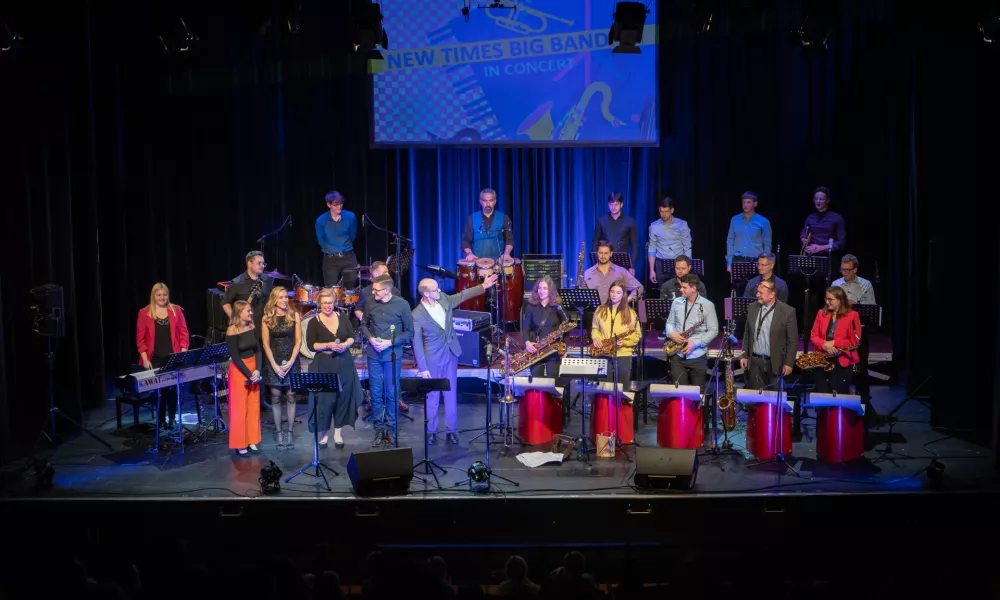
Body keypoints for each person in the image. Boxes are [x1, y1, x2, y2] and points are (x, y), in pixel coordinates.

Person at [412, 273, 498, 445]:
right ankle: (431, 431)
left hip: (451, 354)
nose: (440, 291)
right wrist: (423, 368)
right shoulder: (416, 315)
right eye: (436, 290)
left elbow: (462, 296)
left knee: (451, 395)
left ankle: (451, 430)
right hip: (432, 360)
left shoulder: (443, 299)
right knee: (433, 397)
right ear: (426, 294)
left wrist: (483, 286)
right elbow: (417, 343)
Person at [361, 274, 414, 447]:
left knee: (392, 393)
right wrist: (370, 339)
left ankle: (391, 431)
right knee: (375, 394)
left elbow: (409, 332)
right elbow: (363, 325)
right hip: (374, 355)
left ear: (387, 290)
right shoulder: (370, 303)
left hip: (392, 355)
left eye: (376, 290)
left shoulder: (402, 305)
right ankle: (378, 430)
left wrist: (390, 342)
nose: (373, 292)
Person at [306, 288, 363, 449]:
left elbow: (351, 336)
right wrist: (327, 345)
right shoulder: (313, 322)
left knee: (342, 398)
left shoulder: (343, 317)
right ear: (319, 304)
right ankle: (324, 433)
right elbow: (311, 345)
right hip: (324, 364)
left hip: (344, 362)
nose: (327, 306)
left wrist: (345, 344)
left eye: (330, 303)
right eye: (324, 303)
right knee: (325, 400)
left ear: (335, 303)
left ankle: (338, 432)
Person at [135, 283, 190, 430]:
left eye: (165, 294)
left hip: (173, 357)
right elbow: (140, 340)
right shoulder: (144, 313)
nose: (162, 298)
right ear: (153, 296)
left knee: (172, 390)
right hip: (155, 358)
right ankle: (160, 419)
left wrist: (183, 350)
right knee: (160, 391)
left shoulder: (176, 310)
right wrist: (145, 359)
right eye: (159, 295)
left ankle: (171, 418)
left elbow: (184, 333)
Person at [832, 253, 876, 406]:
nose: (844, 273)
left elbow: (870, 310)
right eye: (842, 270)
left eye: (848, 270)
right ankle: (839, 403)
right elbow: (830, 307)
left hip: (858, 333)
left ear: (855, 270)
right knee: (839, 368)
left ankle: (865, 406)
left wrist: (852, 305)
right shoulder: (836, 283)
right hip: (840, 333)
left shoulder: (865, 285)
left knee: (861, 369)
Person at [261, 286, 301, 450]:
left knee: (291, 395)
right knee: (276, 396)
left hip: (291, 359)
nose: (285, 300)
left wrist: (291, 361)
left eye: (286, 297)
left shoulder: (294, 315)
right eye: (281, 297)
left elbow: (298, 341)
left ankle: (290, 432)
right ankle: (279, 432)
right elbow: (266, 344)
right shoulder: (266, 318)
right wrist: (275, 366)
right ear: (274, 300)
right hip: (273, 361)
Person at [740, 280, 798, 390]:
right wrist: (744, 355)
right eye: (757, 292)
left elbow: (792, 340)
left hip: (775, 362)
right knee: (757, 401)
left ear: (772, 294)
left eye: (761, 293)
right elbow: (747, 333)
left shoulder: (788, 311)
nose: (757, 295)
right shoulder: (752, 307)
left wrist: (789, 363)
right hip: (755, 362)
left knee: (774, 400)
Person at [664, 274, 719, 389]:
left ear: (693, 288)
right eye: (681, 286)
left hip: (697, 356)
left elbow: (713, 330)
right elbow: (669, 323)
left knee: (698, 394)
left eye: (684, 287)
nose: (681, 289)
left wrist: (695, 343)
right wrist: (672, 334)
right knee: (679, 392)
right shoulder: (676, 302)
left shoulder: (708, 305)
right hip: (677, 355)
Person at [809, 286, 862, 396]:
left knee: (839, 395)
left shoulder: (852, 315)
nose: (827, 302)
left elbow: (855, 341)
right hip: (822, 360)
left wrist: (834, 343)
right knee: (822, 395)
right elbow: (813, 336)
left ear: (839, 300)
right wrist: (824, 345)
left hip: (842, 362)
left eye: (830, 299)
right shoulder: (821, 313)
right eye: (826, 299)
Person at [225, 300, 262, 456]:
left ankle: (252, 440)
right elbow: (235, 357)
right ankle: (240, 443)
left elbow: (258, 350)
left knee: (253, 407)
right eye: (248, 311)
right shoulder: (232, 331)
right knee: (240, 409)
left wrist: (258, 370)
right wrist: (249, 374)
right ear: (239, 312)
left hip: (254, 368)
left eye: (251, 310)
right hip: (240, 371)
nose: (251, 313)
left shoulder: (252, 327)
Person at [591, 280, 642, 388]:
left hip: (623, 355)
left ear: (623, 295)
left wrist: (624, 342)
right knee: (603, 388)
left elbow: (637, 334)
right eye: (612, 291)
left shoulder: (631, 313)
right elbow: (595, 328)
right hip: (603, 353)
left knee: (622, 388)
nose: (614, 295)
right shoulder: (600, 310)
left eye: (618, 292)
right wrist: (596, 338)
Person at [521, 276, 570, 378]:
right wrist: (527, 343)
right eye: (539, 288)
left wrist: (565, 348)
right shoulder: (531, 307)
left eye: (545, 288)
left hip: (553, 350)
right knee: (537, 381)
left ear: (551, 290)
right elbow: (526, 328)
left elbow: (566, 329)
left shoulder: (558, 307)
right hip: (536, 350)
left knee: (553, 379)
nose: (541, 291)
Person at [316, 191, 360, 289]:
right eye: (335, 205)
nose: (339, 207)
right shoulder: (321, 220)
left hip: (348, 257)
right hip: (330, 259)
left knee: (350, 287)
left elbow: (353, 234)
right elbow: (321, 240)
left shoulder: (350, 217)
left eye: (340, 204)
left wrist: (345, 247)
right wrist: (331, 249)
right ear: (328, 204)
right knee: (330, 288)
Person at [222, 250, 274, 331]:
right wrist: (234, 319)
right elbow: (225, 302)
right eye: (259, 263)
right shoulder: (237, 282)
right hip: (245, 328)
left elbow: (272, 299)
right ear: (250, 263)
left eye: (263, 263)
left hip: (265, 327)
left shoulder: (266, 280)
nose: (262, 266)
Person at [647, 197, 692, 287]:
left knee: (680, 291)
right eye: (661, 211)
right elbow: (652, 248)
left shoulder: (682, 225)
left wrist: (687, 268)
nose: (664, 214)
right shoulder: (654, 226)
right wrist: (652, 270)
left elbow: (687, 246)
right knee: (664, 292)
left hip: (678, 262)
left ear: (672, 210)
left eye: (666, 211)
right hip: (661, 263)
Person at [461, 187, 514, 261]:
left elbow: (509, 239)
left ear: (495, 201)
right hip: (478, 263)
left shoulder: (504, 218)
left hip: (499, 263)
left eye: (491, 201)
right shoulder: (472, 218)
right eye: (485, 201)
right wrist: (470, 254)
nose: (488, 204)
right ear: (480, 201)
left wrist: (507, 254)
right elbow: (465, 241)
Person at [591, 192, 638, 275]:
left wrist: (632, 266)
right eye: (611, 204)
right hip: (604, 262)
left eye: (616, 204)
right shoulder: (602, 221)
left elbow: (635, 245)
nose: (613, 207)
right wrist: (595, 263)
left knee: (621, 287)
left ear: (621, 204)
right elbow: (595, 241)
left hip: (623, 264)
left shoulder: (630, 221)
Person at [726, 191, 772, 274]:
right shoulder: (735, 219)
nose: (745, 205)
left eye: (748, 202)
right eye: (744, 202)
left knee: (755, 286)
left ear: (755, 204)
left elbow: (767, 244)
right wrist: (729, 262)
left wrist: (765, 264)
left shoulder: (764, 221)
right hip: (738, 260)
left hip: (755, 261)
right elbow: (730, 240)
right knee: (737, 286)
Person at [800, 186, 846, 256]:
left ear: (827, 201)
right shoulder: (809, 218)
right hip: (812, 256)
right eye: (816, 199)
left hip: (830, 257)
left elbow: (841, 242)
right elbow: (804, 232)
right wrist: (803, 238)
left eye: (821, 199)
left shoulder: (837, 218)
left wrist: (821, 248)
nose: (818, 201)